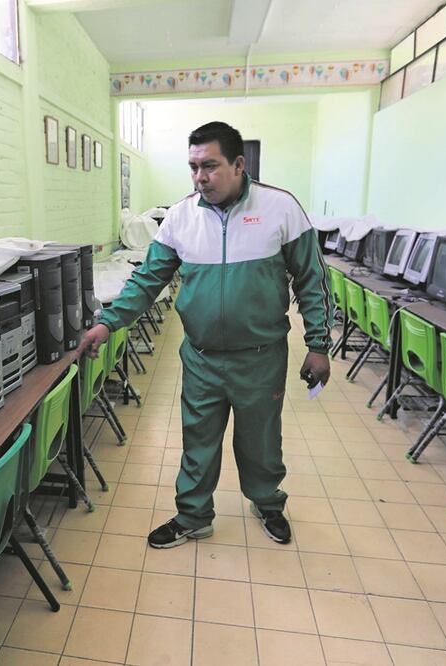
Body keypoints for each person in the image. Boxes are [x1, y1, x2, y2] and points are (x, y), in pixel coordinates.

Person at [77, 121, 333, 549]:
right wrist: (109, 322)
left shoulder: (281, 208)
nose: (200, 177)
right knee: (198, 440)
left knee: (261, 440)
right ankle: (193, 515)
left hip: (260, 356)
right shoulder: (180, 217)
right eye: (193, 167)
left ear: (238, 164)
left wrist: (319, 344)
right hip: (202, 357)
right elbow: (147, 281)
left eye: (210, 166)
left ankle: (268, 503)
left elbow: (312, 279)